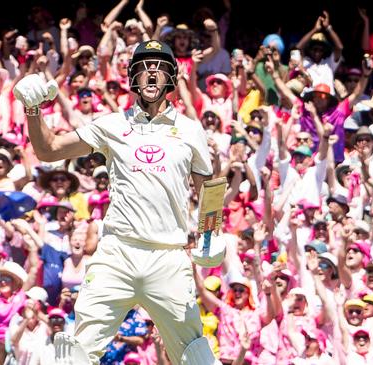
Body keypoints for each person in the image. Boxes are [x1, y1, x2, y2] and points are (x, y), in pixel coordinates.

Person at [13, 39, 219, 363]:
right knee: (74, 355)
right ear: (134, 77)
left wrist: (211, 234)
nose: (152, 73)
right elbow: (48, 149)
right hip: (117, 253)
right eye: (145, 67)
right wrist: (32, 109)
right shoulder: (112, 125)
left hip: (168, 256)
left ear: (170, 77)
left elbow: (210, 188)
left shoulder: (191, 131)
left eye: (160, 67)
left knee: (197, 356)